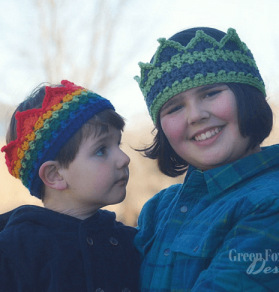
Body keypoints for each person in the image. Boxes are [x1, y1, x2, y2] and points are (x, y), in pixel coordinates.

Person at [133, 27, 279, 291]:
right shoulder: (158, 209)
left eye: (210, 93)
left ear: (248, 96)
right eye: (175, 107)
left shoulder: (271, 202)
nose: (195, 115)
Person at [0, 80, 140, 292]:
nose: (124, 159)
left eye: (118, 144)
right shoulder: (15, 253)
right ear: (55, 175)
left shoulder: (131, 241)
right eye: (101, 150)